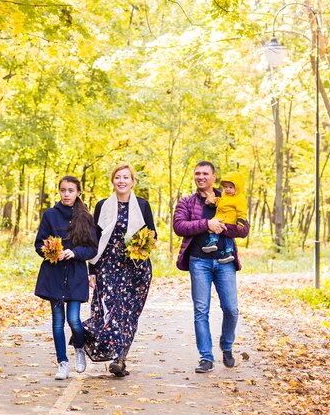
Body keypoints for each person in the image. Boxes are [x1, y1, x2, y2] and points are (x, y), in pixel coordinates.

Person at [173, 161, 250, 373]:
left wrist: (221, 227)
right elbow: (179, 227)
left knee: (231, 309)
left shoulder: (229, 196)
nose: (201, 177)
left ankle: (226, 346)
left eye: (205, 173)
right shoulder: (187, 202)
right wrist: (207, 224)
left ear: (214, 176)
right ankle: (206, 357)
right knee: (201, 310)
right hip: (199, 262)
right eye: (197, 173)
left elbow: (243, 230)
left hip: (225, 262)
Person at [82, 164, 156, 377]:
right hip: (109, 266)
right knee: (112, 310)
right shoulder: (102, 205)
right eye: (118, 177)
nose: (122, 181)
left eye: (126, 177)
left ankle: (120, 359)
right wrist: (92, 269)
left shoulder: (142, 205)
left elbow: (153, 235)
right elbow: (94, 239)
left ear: (133, 181)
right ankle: (104, 345)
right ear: (113, 181)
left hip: (136, 267)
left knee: (130, 313)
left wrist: (141, 246)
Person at [34, 176, 98, 380]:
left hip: (75, 275)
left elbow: (92, 248)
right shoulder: (50, 215)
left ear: (78, 192)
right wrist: (52, 252)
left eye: (71, 190)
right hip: (54, 274)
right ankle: (62, 362)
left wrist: (74, 252)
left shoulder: (85, 217)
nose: (66, 194)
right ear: (59, 192)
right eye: (63, 190)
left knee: (74, 319)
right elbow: (38, 244)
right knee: (57, 321)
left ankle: (80, 348)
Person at [202, 172, 248, 264]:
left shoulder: (239, 198)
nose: (227, 189)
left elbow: (242, 211)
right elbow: (221, 203)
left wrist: (241, 222)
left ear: (237, 188)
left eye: (231, 187)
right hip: (222, 218)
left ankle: (216, 243)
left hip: (230, 220)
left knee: (218, 230)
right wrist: (213, 201)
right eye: (226, 187)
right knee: (225, 234)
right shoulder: (224, 195)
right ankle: (226, 250)